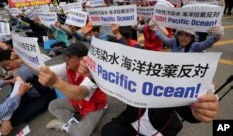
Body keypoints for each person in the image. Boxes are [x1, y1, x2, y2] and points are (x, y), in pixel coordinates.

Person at [78, 55, 220, 136]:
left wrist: (200, 111)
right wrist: (93, 74)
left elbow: (189, 112)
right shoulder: (132, 77)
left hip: (160, 129)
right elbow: (113, 80)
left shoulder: (170, 85)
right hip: (131, 121)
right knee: (107, 132)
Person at [38, 42, 107, 136]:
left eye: (68, 57)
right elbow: (44, 70)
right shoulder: (68, 66)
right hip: (78, 103)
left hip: (95, 106)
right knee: (52, 105)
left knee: (80, 134)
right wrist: (23, 61)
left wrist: (56, 82)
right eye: (65, 56)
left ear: (82, 59)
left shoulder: (92, 72)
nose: (65, 59)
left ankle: (64, 126)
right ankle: (72, 122)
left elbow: (80, 94)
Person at [0, 49, 56, 126]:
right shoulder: (25, 62)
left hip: (45, 94)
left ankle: (2, 120)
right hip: (40, 89)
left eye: (7, 64)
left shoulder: (22, 71)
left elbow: (15, 93)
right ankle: (1, 116)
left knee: (21, 112)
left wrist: (5, 119)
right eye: (4, 67)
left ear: (13, 58)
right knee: (14, 102)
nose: (7, 68)